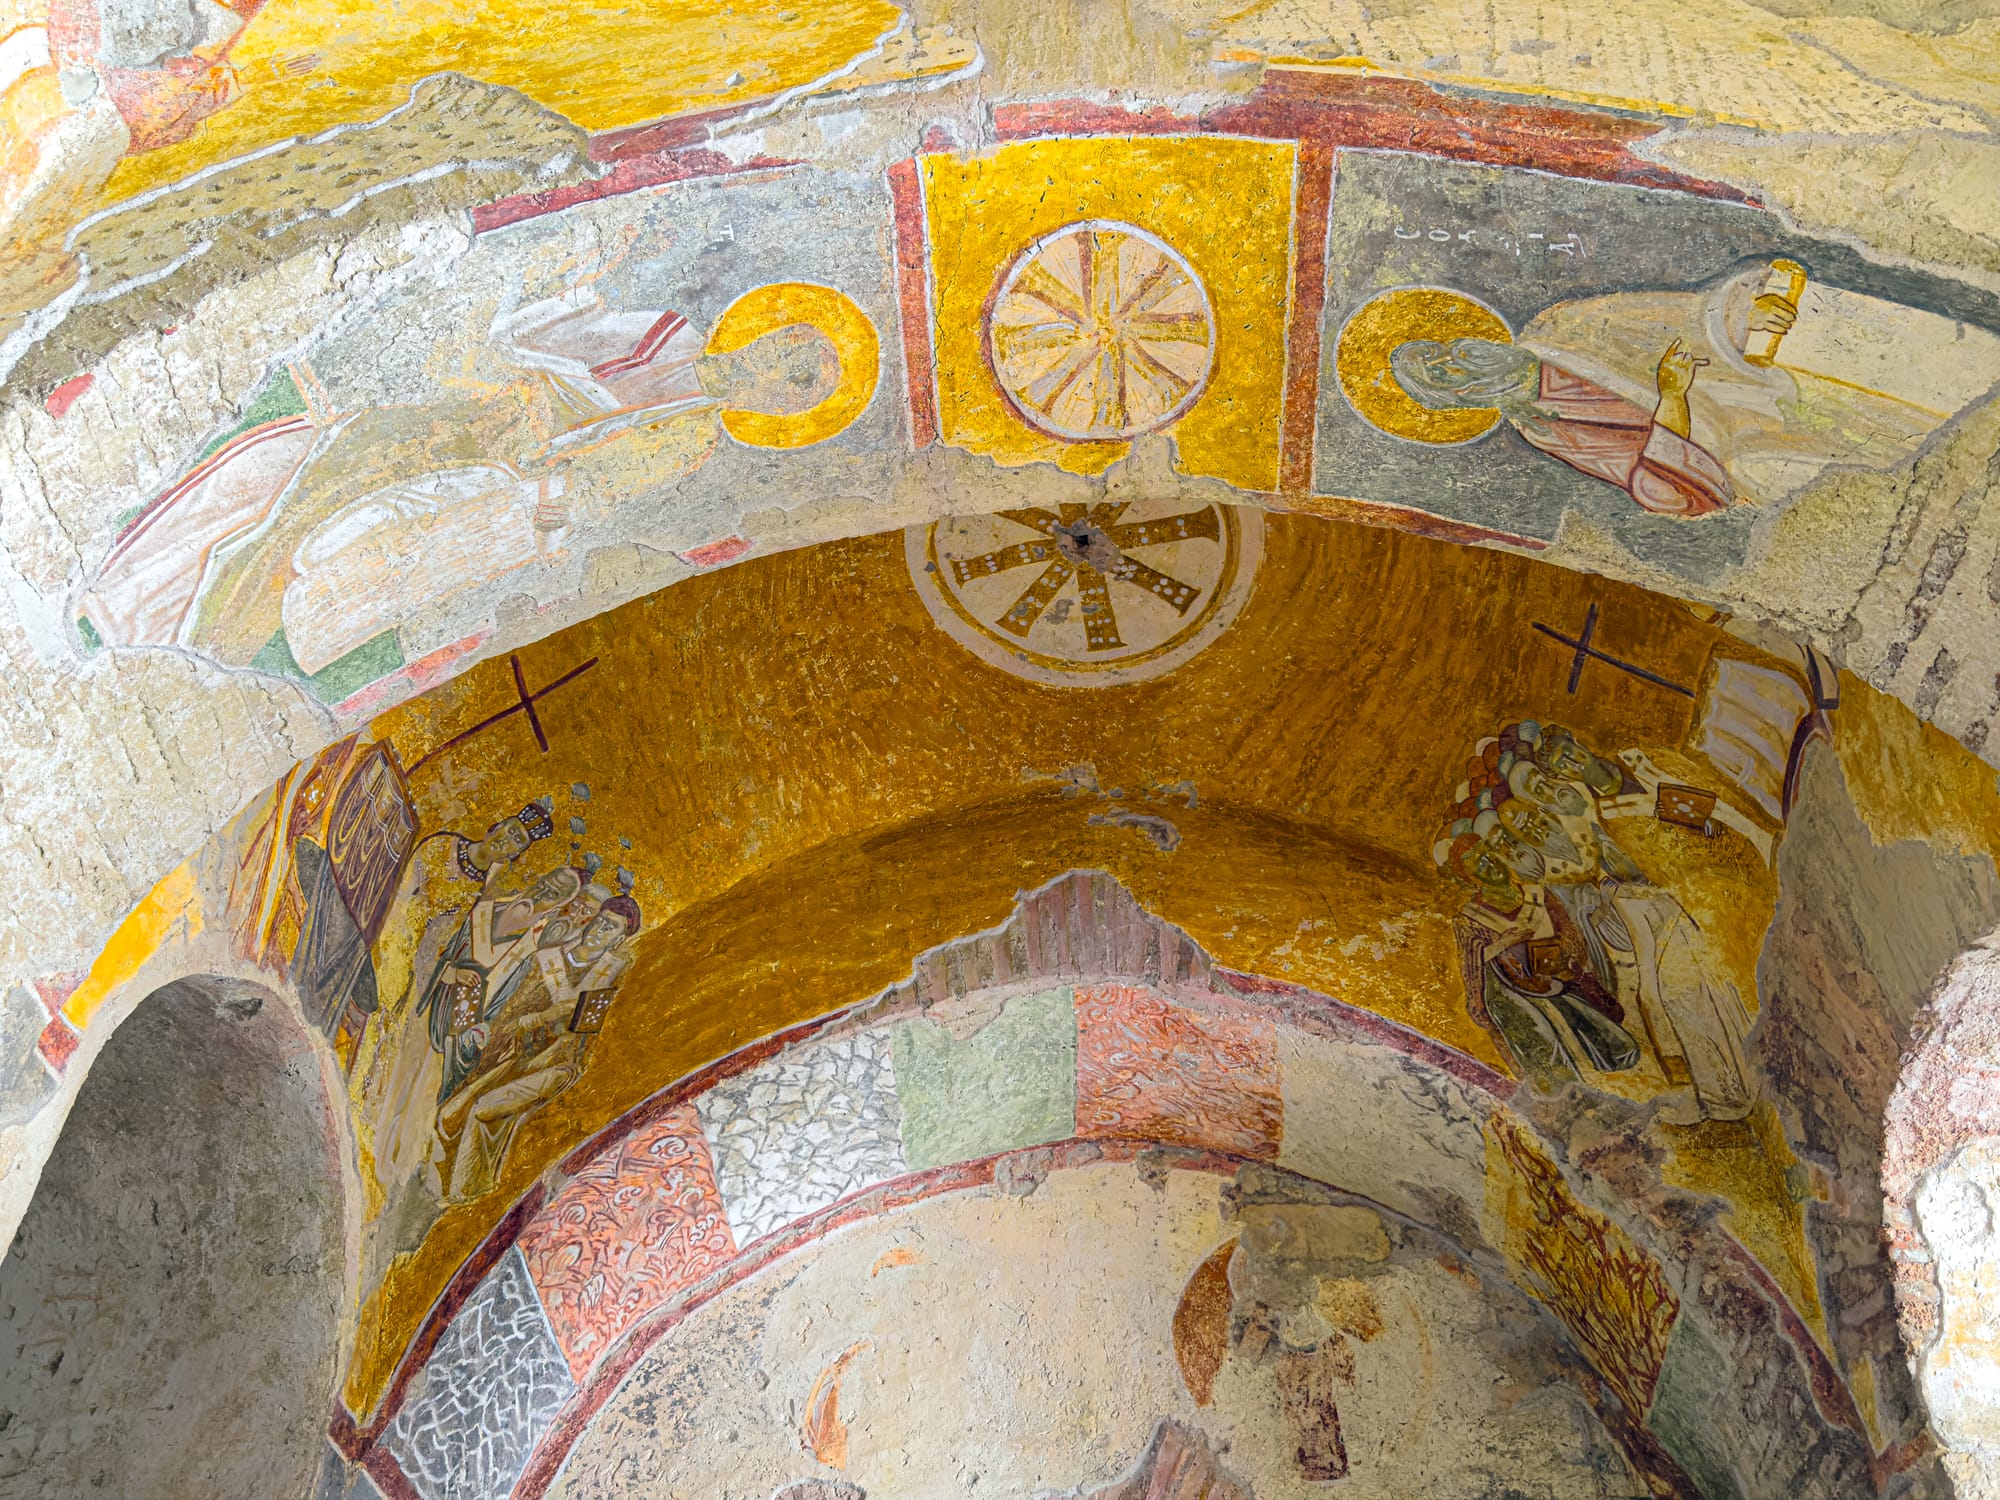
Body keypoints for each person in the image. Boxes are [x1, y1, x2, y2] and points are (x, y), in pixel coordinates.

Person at [436, 891, 640, 1202]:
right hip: (520, 1057)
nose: (601, 929)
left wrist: (555, 1022)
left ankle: (465, 1195)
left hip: (559, 1066)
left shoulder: (614, 973)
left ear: (619, 939)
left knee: (482, 1108)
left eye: (611, 928)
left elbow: (589, 1028)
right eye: (600, 921)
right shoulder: (547, 960)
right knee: (453, 1110)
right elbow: (512, 1013)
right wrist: (534, 1020)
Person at [1391, 335, 1734, 518]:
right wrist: (1673, 396)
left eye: (1440, 351)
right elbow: (1660, 483)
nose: (1451, 360)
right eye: (1438, 373)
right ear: (1460, 398)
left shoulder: (1552, 331)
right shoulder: (1540, 427)